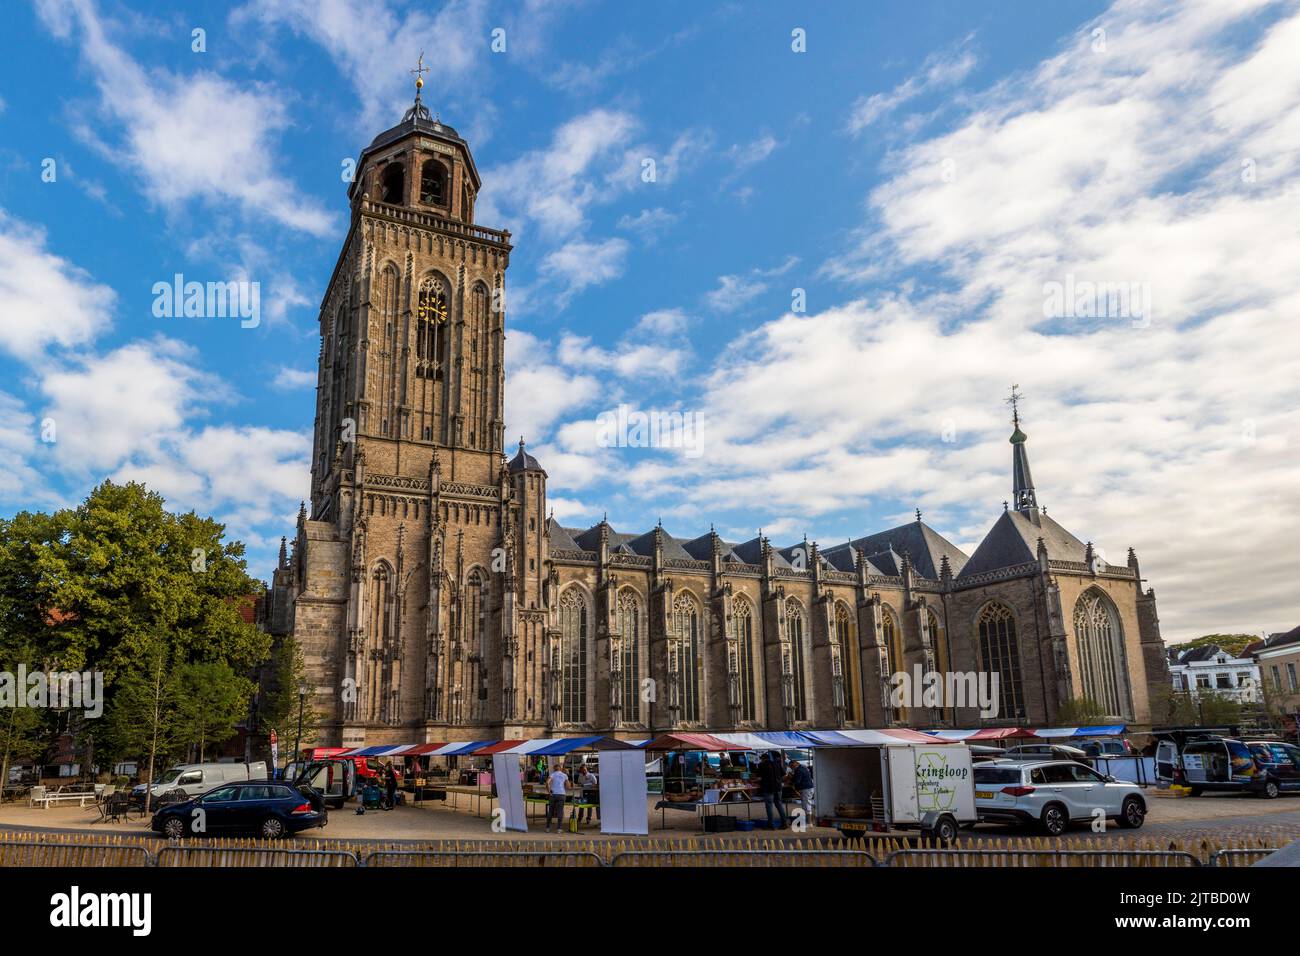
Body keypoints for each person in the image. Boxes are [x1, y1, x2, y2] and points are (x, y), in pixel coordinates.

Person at [756, 752, 788, 829]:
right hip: (778, 787)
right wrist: (779, 781)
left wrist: (753, 781)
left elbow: (759, 778)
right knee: (779, 805)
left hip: (768, 788)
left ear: (763, 759)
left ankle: (770, 825)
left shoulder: (762, 765)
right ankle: (784, 823)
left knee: (769, 806)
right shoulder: (777, 764)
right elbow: (784, 775)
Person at [545, 763, 569, 833]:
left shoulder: (552, 774)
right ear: (560, 768)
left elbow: (547, 783)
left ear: (554, 769)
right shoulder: (564, 775)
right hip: (562, 794)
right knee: (560, 811)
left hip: (553, 794)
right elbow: (568, 786)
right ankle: (559, 829)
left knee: (550, 811)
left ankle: (548, 828)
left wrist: (549, 792)